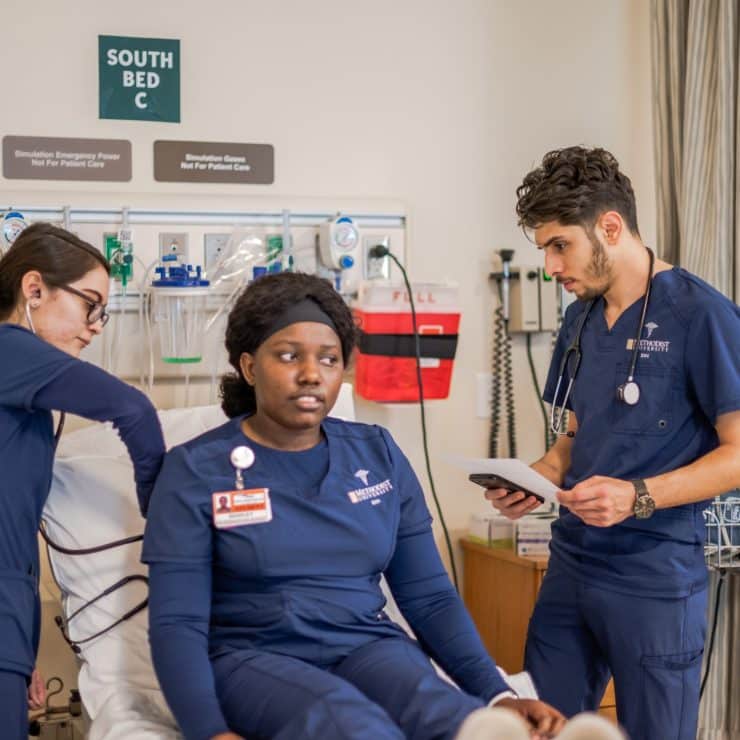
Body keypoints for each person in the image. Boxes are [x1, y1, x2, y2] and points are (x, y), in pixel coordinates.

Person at [143, 271, 570, 740]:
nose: (311, 373)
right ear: (248, 367)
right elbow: (177, 622)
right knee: (348, 723)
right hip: (253, 657)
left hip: (368, 646)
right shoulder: (195, 470)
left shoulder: (376, 454)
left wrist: (499, 695)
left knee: (449, 714)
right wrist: (206, 731)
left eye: (328, 359)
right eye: (289, 356)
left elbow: (428, 597)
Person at [486, 146, 740, 740]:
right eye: (544, 249)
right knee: (541, 726)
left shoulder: (702, 316)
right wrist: (533, 479)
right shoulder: (580, 319)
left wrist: (638, 496)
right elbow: (569, 443)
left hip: (654, 573)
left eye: (559, 245)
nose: (551, 265)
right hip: (571, 563)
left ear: (610, 227)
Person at [0, 223, 166, 739]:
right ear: (34, 290)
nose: (96, 326)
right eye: (90, 305)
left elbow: (15, 532)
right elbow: (133, 411)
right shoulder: (9, 349)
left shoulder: (23, 393)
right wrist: (165, 522)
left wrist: (21, 648)